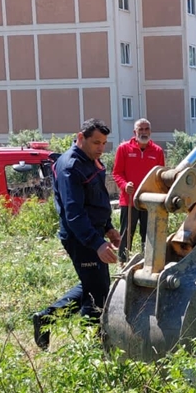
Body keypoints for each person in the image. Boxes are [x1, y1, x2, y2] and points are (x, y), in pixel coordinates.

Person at [32, 118, 123, 350]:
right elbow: (74, 213)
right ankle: (94, 345)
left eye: (104, 143)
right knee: (99, 292)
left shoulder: (90, 160)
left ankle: (47, 318)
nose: (101, 148)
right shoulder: (71, 167)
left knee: (92, 284)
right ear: (80, 137)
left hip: (92, 233)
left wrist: (108, 228)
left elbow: (96, 201)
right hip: (80, 237)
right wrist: (96, 243)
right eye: (96, 142)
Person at [112, 118, 165, 259]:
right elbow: (117, 173)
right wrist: (124, 185)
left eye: (146, 129)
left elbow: (160, 176)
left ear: (150, 131)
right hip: (129, 200)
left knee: (148, 234)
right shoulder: (123, 149)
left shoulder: (157, 151)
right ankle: (123, 262)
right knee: (127, 233)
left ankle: (148, 260)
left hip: (149, 200)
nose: (143, 132)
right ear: (134, 132)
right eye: (140, 129)